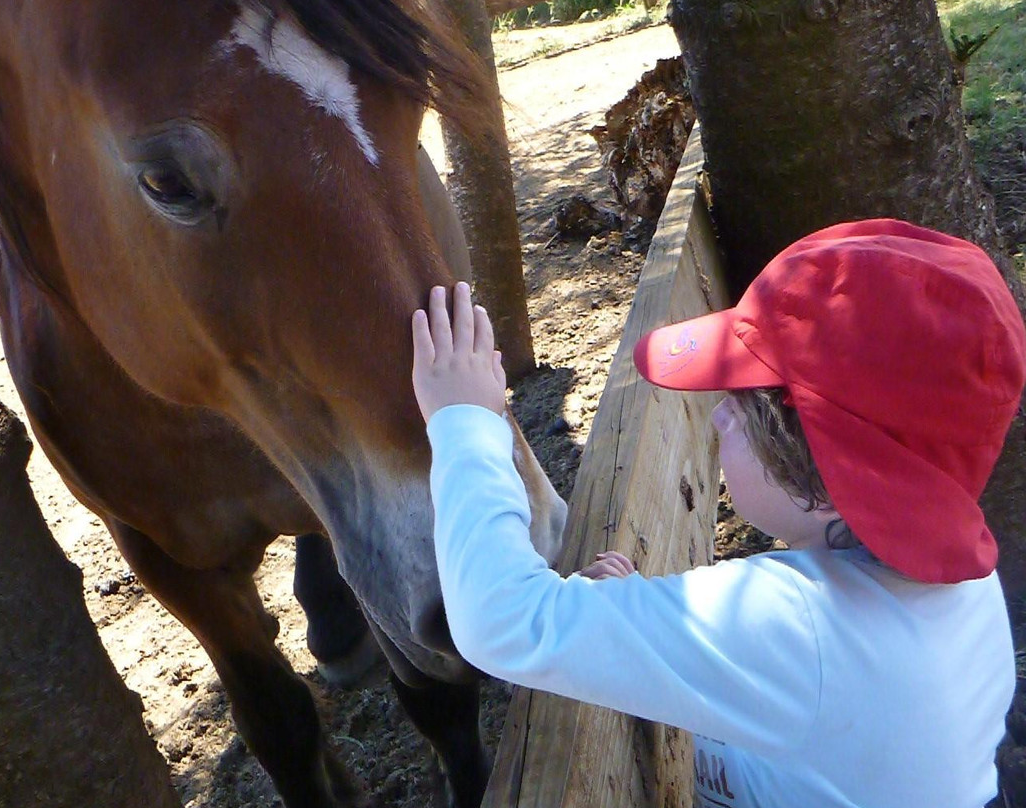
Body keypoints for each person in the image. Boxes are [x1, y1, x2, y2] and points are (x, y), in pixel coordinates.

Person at [410, 218, 1026, 807]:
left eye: (741, 407)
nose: (716, 416)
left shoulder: (792, 625)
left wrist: (463, 420)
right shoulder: (963, 590)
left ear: (834, 468)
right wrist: (652, 636)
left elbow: (501, 620)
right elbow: (814, 720)